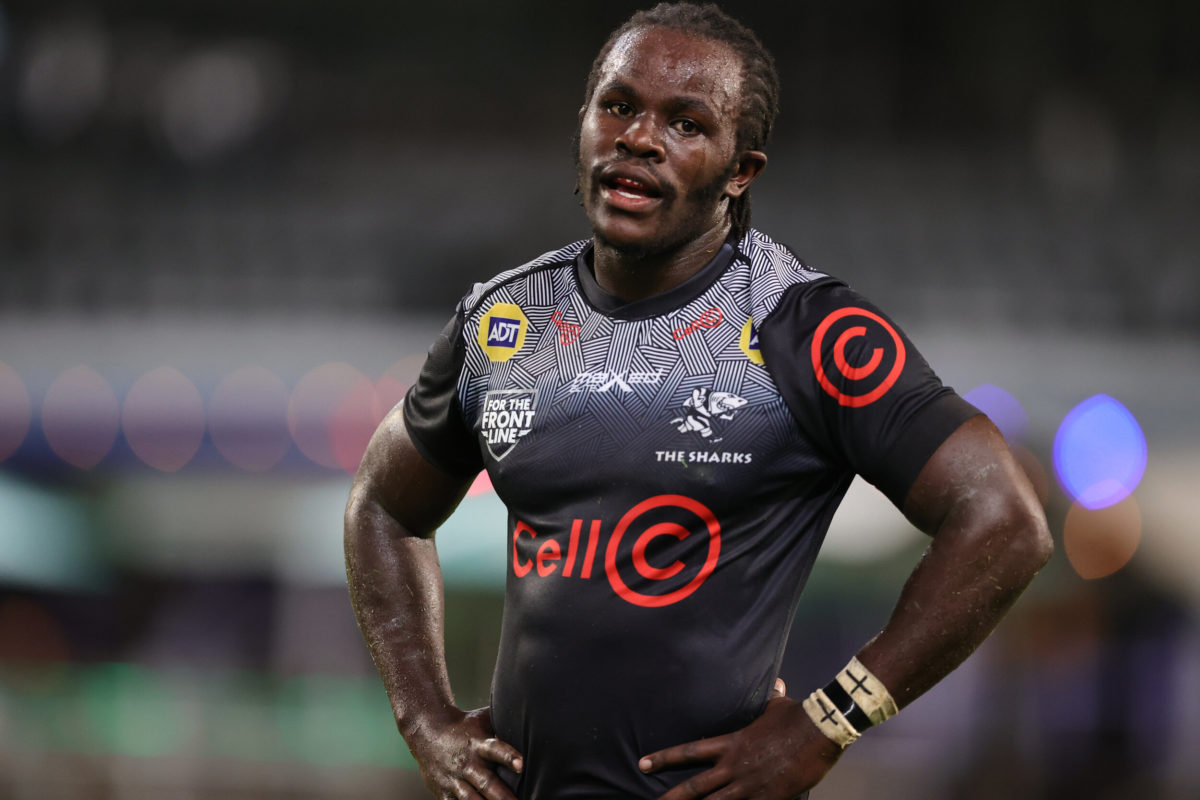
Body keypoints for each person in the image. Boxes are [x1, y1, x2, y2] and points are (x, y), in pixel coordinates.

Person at [344, 3, 1054, 799]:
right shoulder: (505, 321)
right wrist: (424, 719)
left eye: (686, 123)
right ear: (584, 124)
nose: (639, 138)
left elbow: (1005, 519)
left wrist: (830, 722)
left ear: (740, 171)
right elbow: (383, 505)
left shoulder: (802, 330)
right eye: (618, 106)